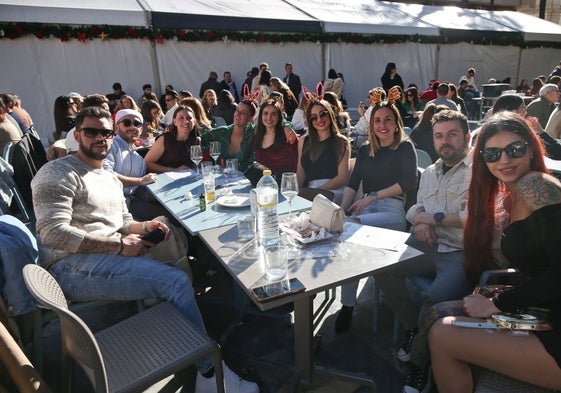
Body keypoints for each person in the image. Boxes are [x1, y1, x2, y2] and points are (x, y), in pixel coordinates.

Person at [31, 106, 259, 393]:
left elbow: (122, 220)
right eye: (91, 131)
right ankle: (210, 374)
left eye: (106, 132)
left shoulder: (107, 175)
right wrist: (118, 244)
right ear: (77, 135)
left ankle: (168, 328)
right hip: (70, 266)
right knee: (174, 282)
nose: (100, 138)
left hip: (102, 256)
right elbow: (52, 233)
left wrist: (145, 226)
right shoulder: (57, 173)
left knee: (175, 241)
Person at [428, 111, 561, 393]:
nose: (504, 159)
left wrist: (499, 304)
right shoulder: (510, 193)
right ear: (482, 159)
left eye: (514, 149)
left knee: (442, 335)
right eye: (493, 154)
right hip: (546, 311)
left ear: (530, 148)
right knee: (438, 313)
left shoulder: (535, 186)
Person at [376, 109, 474, 393]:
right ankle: (412, 328)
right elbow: (416, 206)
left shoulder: (478, 170)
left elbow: (474, 216)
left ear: (466, 137)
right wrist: (420, 222)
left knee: (435, 298)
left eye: (453, 135)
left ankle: (419, 364)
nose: (446, 142)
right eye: (439, 136)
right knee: (381, 267)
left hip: (459, 251)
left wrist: (432, 219)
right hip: (426, 244)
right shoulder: (430, 172)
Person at [336, 90, 418, 334]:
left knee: (350, 228)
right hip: (366, 209)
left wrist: (372, 196)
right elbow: (353, 183)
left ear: (396, 124)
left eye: (387, 120)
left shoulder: (405, 147)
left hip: (392, 210)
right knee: (345, 227)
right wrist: (340, 211)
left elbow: (409, 182)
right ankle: (348, 304)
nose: (382, 125)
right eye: (377, 121)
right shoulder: (365, 150)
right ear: (371, 125)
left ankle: (348, 306)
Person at [296, 98, 350, 204]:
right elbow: (300, 172)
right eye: (313, 117)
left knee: (303, 194)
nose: (319, 119)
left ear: (330, 114)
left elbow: (343, 178)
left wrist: (318, 190)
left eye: (323, 114)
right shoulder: (303, 141)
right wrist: (294, 192)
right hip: (308, 191)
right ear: (309, 121)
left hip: (333, 191)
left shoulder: (341, 141)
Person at [488, 94, 561, 160]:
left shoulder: (488, 130)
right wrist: (541, 133)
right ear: (514, 112)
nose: (525, 113)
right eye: (523, 109)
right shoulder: (520, 134)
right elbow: (557, 153)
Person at [200, 100, 257, 172]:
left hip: (244, 179)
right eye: (237, 110)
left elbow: (254, 162)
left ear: (250, 118)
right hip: (221, 179)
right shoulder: (221, 132)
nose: (237, 114)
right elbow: (198, 142)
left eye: (243, 113)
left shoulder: (253, 134)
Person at [144, 106, 200, 174]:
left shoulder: (196, 140)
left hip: (186, 180)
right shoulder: (165, 139)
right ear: (175, 122)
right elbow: (147, 163)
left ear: (194, 122)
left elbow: (195, 165)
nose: (186, 121)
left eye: (189, 118)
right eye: (181, 118)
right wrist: (174, 170)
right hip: (164, 180)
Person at [252, 100, 298, 178]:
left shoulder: (288, 135)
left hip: (285, 183)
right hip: (264, 183)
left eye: (273, 114)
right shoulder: (257, 135)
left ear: (279, 116)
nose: (269, 118)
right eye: (265, 113)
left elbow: (299, 162)